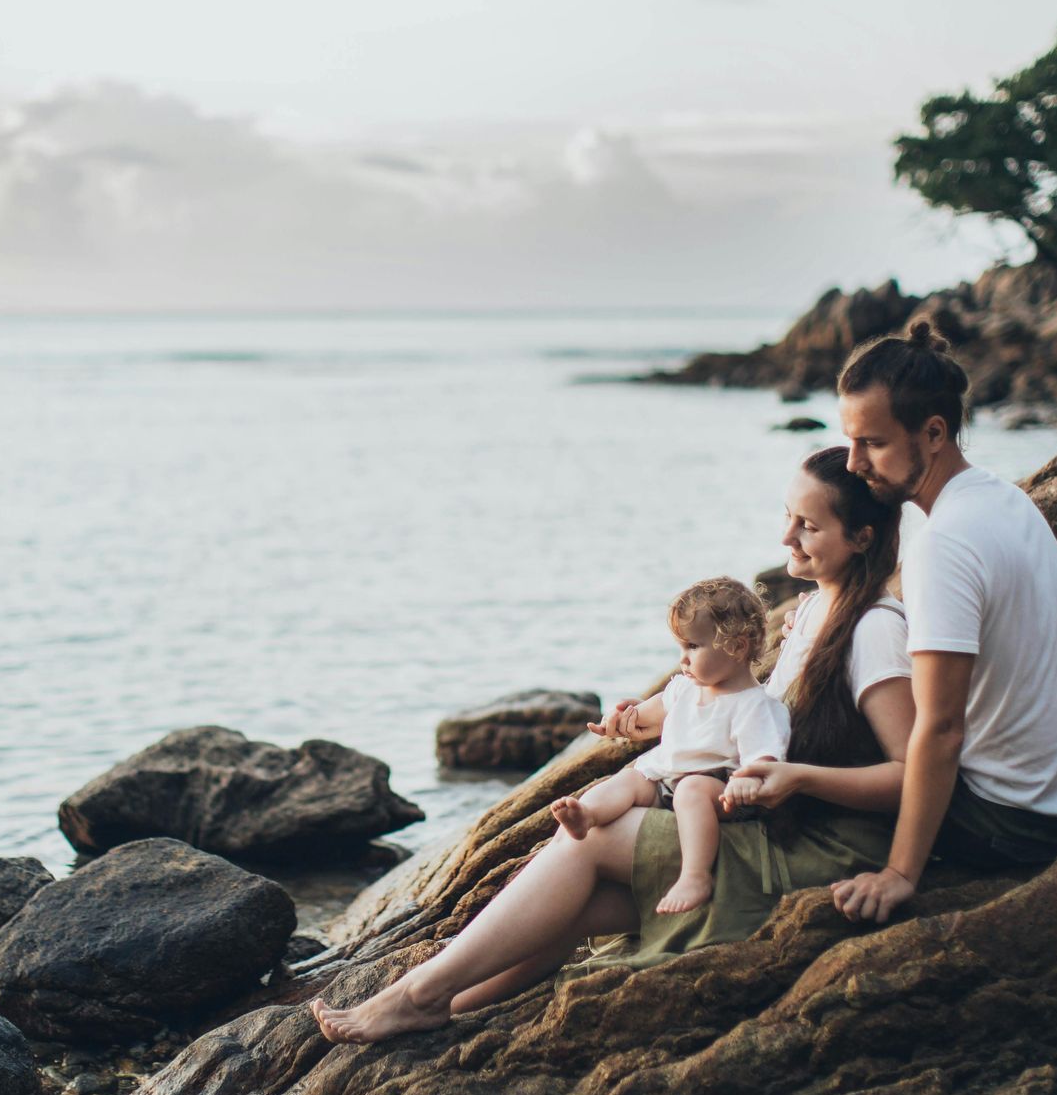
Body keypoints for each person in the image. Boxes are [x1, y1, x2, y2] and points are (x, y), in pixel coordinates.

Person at [312, 446, 914, 1043]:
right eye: (788, 515)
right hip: (770, 819)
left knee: (587, 841)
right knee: (582, 899)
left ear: (861, 537)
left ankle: (416, 995)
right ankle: (453, 1002)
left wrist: (801, 780)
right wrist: (657, 722)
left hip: (819, 847)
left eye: (808, 526)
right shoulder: (811, 611)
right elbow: (749, 712)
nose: (786, 535)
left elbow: (913, 777)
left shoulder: (875, 630)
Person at [826, 320, 1057, 925]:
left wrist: (899, 874)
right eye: (849, 441)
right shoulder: (999, 496)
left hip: (1025, 820)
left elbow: (941, 731)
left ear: (934, 433)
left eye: (873, 443)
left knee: (834, 738)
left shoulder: (942, 544)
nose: (854, 462)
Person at [549, 576, 790, 915]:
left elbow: (763, 758)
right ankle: (588, 815)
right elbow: (646, 714)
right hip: (668, 782)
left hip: (721, 792)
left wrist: (747, 782)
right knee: (631, 778)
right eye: (681, 648)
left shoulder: (755, 706)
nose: (683, 659)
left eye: (693, 647)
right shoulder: (684, 689)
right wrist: (616, 720)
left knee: (692, 789)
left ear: (736, 646)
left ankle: (695, 875)